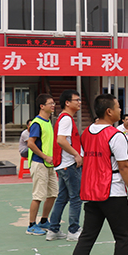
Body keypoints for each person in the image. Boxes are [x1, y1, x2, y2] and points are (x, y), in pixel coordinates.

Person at [63, 94, 128, 255]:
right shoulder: (116, 135)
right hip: (112, 192)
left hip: (92, 192)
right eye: (118, 106)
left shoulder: (87, 133)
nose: (120, 110)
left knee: (87, 238)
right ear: (109, 111)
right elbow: (124, 167)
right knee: (123, 237)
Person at [46, 90, 83, 242]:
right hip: (69, 165)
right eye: (76, 100)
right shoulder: (66, 119)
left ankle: (53, 229)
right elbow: (61, 140)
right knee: (76, 198)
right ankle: (73, 230)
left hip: (63, 165)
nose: (79, 102)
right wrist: (76, 154)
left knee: (62, 197)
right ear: (67, 103)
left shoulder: (64, 118)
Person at [25, 94, 58, 236]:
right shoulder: (37, 123)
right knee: (38, 196)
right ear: (42, 106)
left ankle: (44, 220)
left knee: (53, 194)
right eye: (50, 103)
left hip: (49, 164)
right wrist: (45, 156)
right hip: (39, 163)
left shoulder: (48, 122)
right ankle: (31, 225)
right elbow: (30, 143)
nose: (53, 105)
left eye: (54, 103)